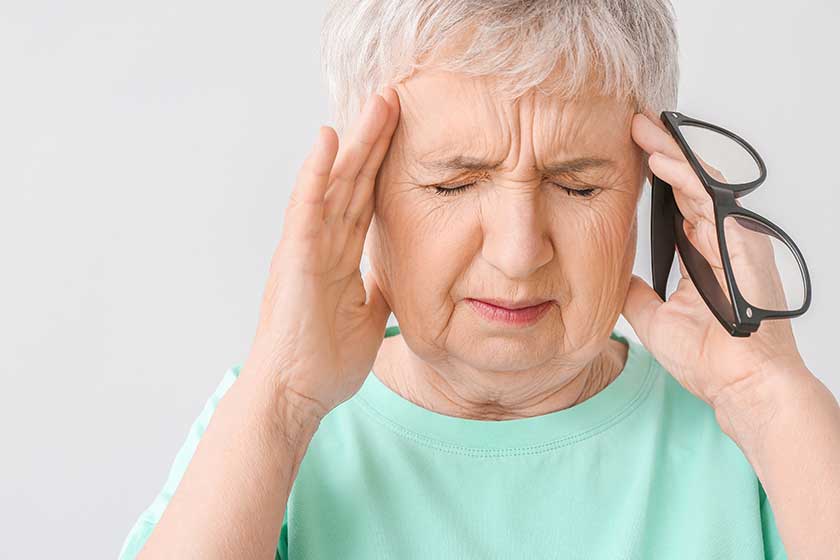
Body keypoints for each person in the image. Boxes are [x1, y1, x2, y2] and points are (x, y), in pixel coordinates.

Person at [120, 1, 840, 558]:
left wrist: (770, 398)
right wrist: (278, 402)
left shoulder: (758, 442)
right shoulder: (266, 422)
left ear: (652, 199)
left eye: (578, 187)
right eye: (453, 184)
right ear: (362, 195)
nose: (520, 253)